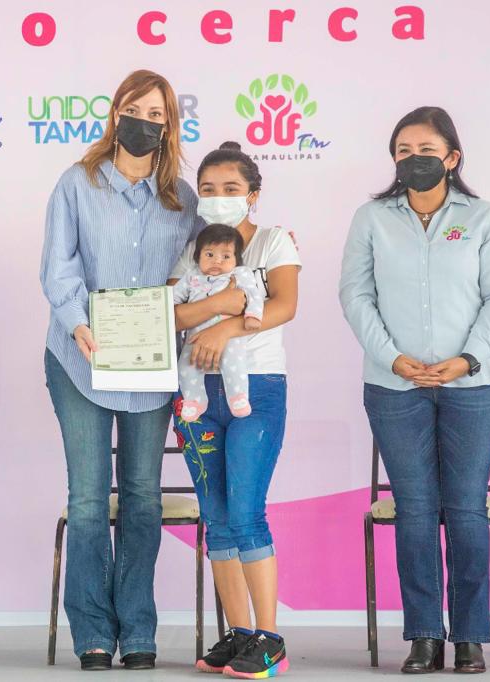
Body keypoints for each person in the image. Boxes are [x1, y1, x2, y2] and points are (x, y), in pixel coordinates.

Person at [338, 106, 490, 674]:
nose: (413, 159)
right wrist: (392, 358)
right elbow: (355, 296)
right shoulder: (372, 218)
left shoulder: (483, 217)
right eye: (403, 151)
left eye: (425, 150)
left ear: (452, 157)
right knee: (415, 509)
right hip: (395, 386)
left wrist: (467, 359)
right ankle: (423, 635)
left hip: (475, 386)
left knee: (465, 508)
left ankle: (468, 637)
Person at [39, 69, 199, 671]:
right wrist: (77, 322)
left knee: (141, 497)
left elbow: (203, 268)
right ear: (115, 114)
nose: (144, 122)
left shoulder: (183, 198)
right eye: (135, 110)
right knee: (87, 499)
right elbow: (58, 266)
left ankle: (137, 627)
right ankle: (92, 632)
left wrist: (262, 245)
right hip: (79, 358)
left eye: (157, 114)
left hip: (150, 365)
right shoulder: (77, 182)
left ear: (169, 125)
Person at [170, 141, 300, 678]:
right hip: (198, 395)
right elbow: (171, 315)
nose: (218, 197)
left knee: (246, 513)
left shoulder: (273, 242)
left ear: (252, 194)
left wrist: (224, 328)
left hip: (257, 389)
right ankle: (241, 633)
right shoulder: (194, 249)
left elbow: (284, 304)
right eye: (208, 189)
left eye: (230, 188)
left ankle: (270, 639)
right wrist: (222, 305)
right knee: (217, 519)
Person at [172, 224, 265, 421]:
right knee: (186, 367)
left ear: (236, 259)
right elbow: (173, 297)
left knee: (234, 364)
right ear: (197, 256)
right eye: (209, 254)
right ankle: (195, 400)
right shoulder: (192, 276)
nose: (217, 261)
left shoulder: (240, 274)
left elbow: (253, 295)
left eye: (226, 256)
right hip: (196, 336)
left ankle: (238, 396)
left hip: (229, 338)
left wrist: (253, 315)